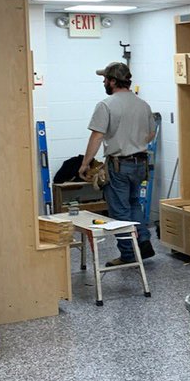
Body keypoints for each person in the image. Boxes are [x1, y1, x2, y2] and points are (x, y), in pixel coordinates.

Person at [79, 62, 156, 265]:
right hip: (140, 163)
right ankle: (144, 241)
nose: (103, 81)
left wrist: (85, 164)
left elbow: (97, 136)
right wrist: (134, 142)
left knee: (119, 211)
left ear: (113, 81)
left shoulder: (106, 105)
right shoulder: (143, 104)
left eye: (105, 78)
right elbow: (151, 134)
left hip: (119, 165)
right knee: (133, 204)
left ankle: (129, 255)